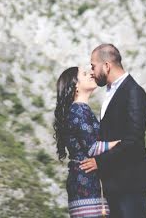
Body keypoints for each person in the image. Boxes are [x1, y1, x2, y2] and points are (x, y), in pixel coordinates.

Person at [80, 44, 146, 218]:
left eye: (93, 66)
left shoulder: (134, 92)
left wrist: (100, 162)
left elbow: (133, 141)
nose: (91, 71)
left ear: (106, 65)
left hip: (130, 183)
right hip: (114, 183)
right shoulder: (111, 92)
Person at [54, 66, 119, 217]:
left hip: (87, 181)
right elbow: (92, 148)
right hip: (85, 184)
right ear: (75, 85)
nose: (90, 74)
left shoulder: (81, 109)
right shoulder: (79, 110)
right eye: (84, 74)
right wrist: (120, 143)